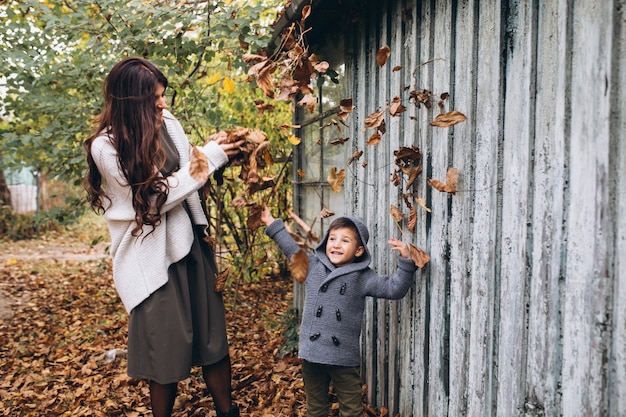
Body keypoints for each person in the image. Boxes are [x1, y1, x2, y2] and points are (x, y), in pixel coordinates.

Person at [83, 57, 244, 417]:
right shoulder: (105, 147)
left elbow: (190, 169)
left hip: (191, 247)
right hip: (152, 258)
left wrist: (212, 150)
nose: (163, 104)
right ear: (129, 101)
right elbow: (152, 201)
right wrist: (208, 160)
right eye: (154, 98)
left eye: (163, 96)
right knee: (165, 348)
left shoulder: (168, 122)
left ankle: (228, 413)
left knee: (213, 339)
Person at [260, 206, 422, 417]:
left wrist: (406, 261)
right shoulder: (312, 265)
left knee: (351, 409)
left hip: (343, 357)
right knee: (315, 407)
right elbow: (290, 247)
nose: (336, 245)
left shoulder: (363, 277)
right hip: (312, 354)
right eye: (332, 239)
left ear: (358, 250)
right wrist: (271, 221)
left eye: (345, 241)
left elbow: (394, 289)